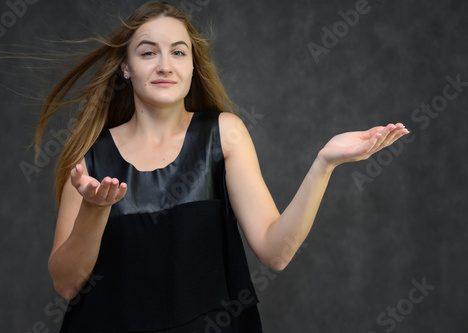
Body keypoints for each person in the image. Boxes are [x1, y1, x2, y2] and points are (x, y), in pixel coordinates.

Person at [34, 1, 409, 332]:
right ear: (125, 67)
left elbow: (275, 253)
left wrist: (324, 163)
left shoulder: (223, 134)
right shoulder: (90, 157)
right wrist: (95, 210)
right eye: (148, 53)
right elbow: (66, 284)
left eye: (179, 53)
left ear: (193, 65)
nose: (165, 65)